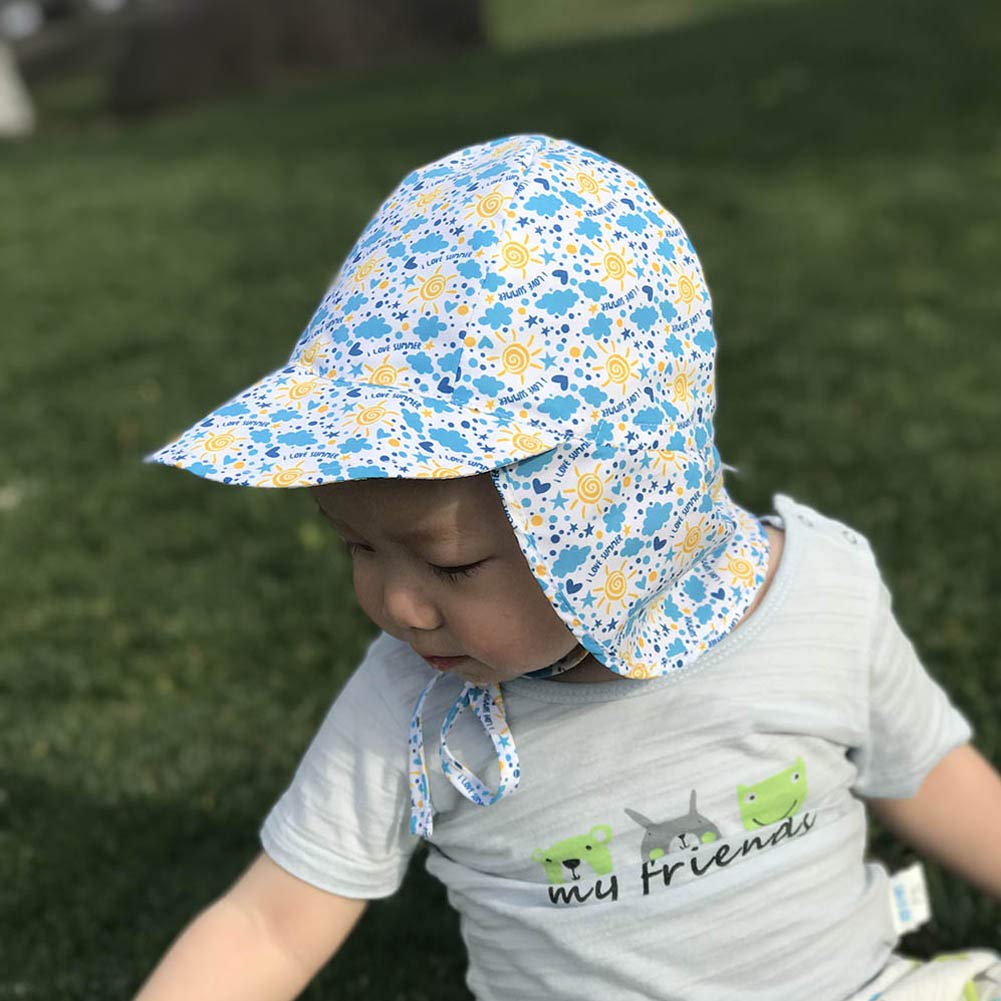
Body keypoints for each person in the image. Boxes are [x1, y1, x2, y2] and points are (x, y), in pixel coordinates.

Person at [134, 134, 1001, 1001]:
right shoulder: (412, 708)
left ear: (613, 518)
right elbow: (268, 926)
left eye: (452, 565)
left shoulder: (816, 600)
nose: (397, 604)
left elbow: (927, 771)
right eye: (354, 545)